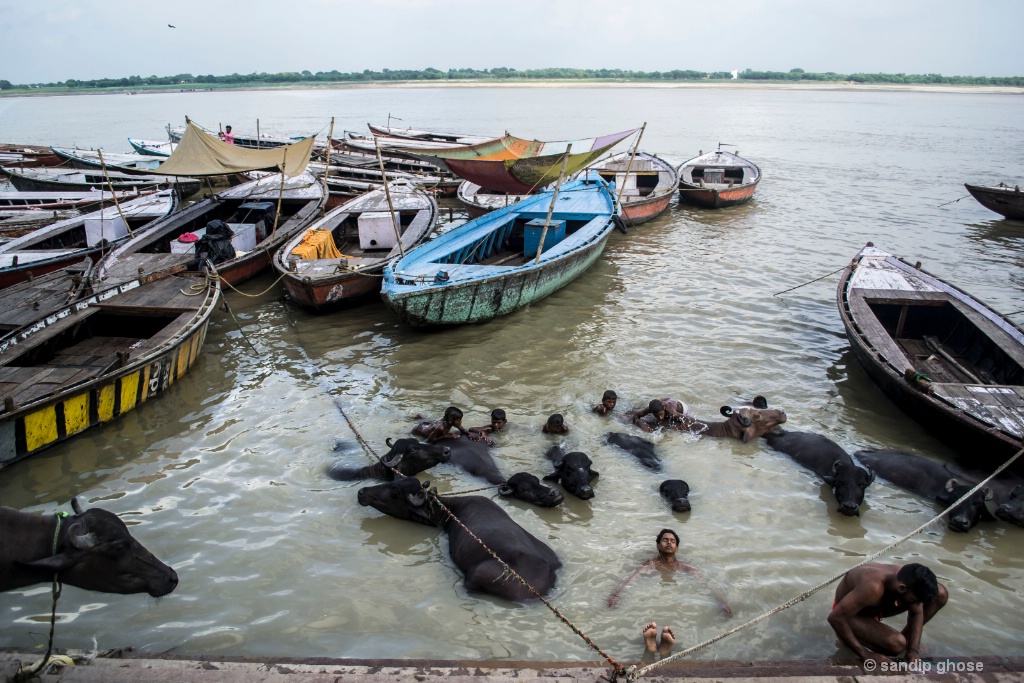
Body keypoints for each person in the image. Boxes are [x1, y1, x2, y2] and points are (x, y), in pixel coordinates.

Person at [828, 562, 947, 666]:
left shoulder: (906, 579)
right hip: (849, 614)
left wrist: (913, 649)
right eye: (916, 601)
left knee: (940, 594)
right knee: (897, 644)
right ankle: (863, 640)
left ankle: (903, 643)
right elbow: (835, 618)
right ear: (901, 588)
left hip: (875, 608)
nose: (918, 605)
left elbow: (916, 613)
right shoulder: (873, 587)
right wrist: (866, 654)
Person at [607, 528, 732, 615]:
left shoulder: (684, 567)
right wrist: (615, 596)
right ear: (658, 546)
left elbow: (706, 584)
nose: (669, 543)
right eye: (665, 540)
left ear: (676, 548)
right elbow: (630, 579)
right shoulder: (650, 565)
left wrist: (722, 602)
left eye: (672, 541)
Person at [413, 406, 483, 443]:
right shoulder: (441, 428)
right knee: (433, 425)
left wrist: (469, 433)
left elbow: (461, 428)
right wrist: (445, 436)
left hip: (430, 426)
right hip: (419, 430)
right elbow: (428, 440)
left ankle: (420, 418)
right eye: (459, 420)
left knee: (432, 424)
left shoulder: (451, 422)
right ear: (450, 421)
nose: (460, 422)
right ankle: (419, 418)